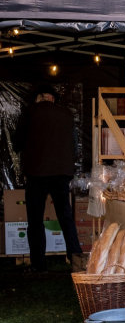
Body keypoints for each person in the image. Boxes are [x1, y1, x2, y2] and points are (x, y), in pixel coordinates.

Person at [12, 84, 83, 272]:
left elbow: (17, 143)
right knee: (66, 217)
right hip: (62, 173)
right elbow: (75, 146)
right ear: (52, 98)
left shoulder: (30, 112)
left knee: (35, 219)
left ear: (40, 97)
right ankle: (76, 258)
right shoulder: (66, 114)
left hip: (37, 173)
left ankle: (39, 264)